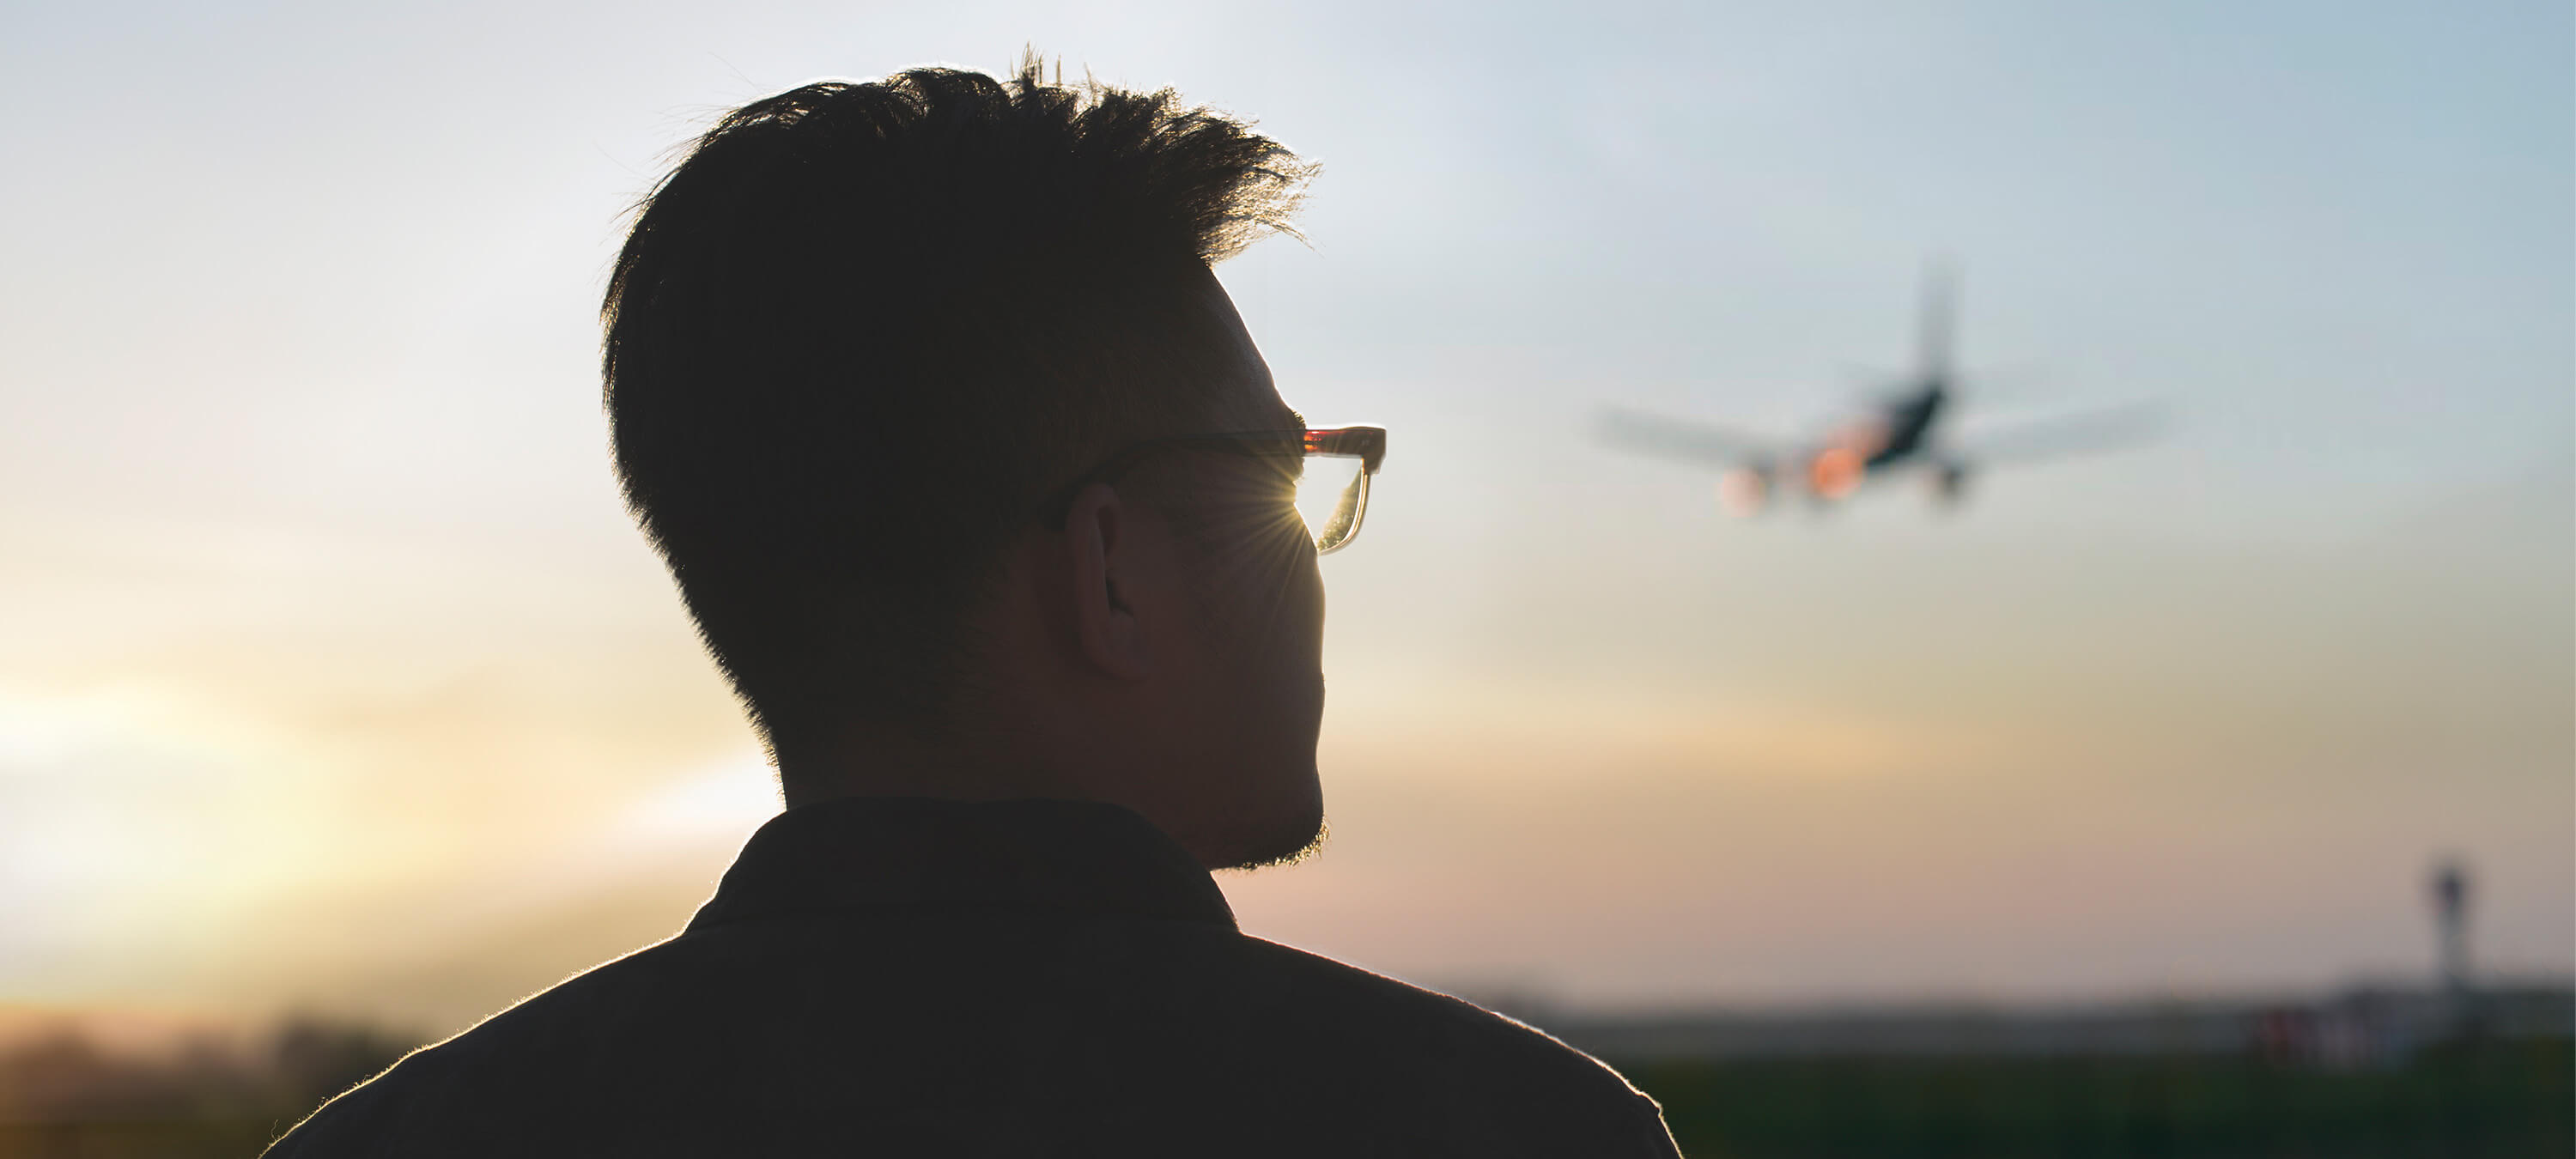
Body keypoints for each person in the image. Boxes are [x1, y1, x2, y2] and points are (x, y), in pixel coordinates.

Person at [265, 57, 1680, 1157]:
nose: (1311, 562)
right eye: (1277, 479)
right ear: (1111, 572)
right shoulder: (1499, 1132)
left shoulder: (394, 1142)